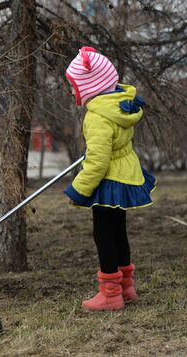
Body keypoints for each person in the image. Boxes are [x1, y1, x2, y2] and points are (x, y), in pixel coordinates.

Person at [63, 46, 156, 311]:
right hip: (125, 176)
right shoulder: (118, 106)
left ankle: (111, 294)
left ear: (90, 86)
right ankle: (127, 287)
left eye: (74, 86)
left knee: (103, 235)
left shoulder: (97, 117)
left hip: (107, 181)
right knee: (118, 233)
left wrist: (77, 191)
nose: (72, 91)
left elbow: (98, 161)